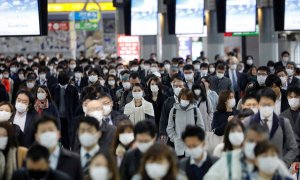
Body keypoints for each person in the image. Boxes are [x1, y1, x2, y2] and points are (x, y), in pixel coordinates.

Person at [204, 124, 291, 180]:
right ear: (244, 141)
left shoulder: (274, 163)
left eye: (259, 142)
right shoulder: (229, 159)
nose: (255, 145)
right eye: (251, 141)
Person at [243, 88, 298, 166]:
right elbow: (241, 147)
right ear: (258, 104)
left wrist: (283, 164)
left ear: (274, 103)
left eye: (269, 104)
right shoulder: (248, 122)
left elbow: (293, 148)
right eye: (263, 104)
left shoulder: (283, 122)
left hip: (277, 172)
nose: (266, 107)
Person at [34, 115, 83, 180]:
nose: (47, 134)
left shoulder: (74, 159)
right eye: (43, 131)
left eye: (51, 130)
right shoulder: (30, 159)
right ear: (36, 137)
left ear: (58, 134)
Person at [167, 88, 204, 156]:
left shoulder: (195, 110)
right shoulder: (173, 110)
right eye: (183, 98)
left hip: (192, 147)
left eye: (187, 98)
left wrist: (195, 138)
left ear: (190, 100)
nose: (184, 100)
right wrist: (175, 139)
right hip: (178, 148)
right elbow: (170, 128)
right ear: (179, 98)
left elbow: (201, 128)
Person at [51, 71, 80, 149]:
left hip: (69, 117)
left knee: (68, 136)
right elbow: (52, 102)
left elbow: (76, 103)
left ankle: (67, 150)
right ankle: (58, 150)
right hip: (57, 117)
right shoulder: (54, 88)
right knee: (58, 135)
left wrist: (74, 115)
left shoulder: (73, 89)